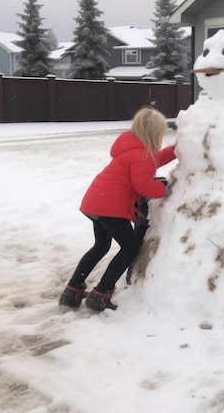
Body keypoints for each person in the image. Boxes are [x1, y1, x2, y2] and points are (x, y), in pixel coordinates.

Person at [58, 106, 176, 312]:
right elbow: (143, 185)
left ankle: (72, 290)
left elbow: (155, 158)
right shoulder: (141, 155)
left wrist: (176, 149)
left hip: (95, 203)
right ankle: (101, 294)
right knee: (129, 248)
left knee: (101, 246)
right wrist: (166, 189)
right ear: (154, 132)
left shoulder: (132, 149)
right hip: (110, 208)